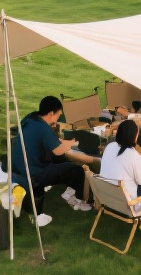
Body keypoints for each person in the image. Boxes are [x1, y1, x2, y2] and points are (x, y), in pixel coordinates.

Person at [11, 96, 96, 226]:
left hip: (18, 167)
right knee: (76, 170)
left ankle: (70, 192)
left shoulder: (31, 118)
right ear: (51, 113)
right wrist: (71, 144)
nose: (57, 120)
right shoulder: (43, 127)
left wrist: (69, 142)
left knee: (60, 161)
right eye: (58, 116)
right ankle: (78, 200)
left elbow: (52, 141)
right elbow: (58, 150)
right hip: (35, 173)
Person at [99, 120, 141, 215]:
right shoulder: (133, 154)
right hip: (127, 202)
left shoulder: (110, 146)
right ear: (134, 136)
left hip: (108, 196)